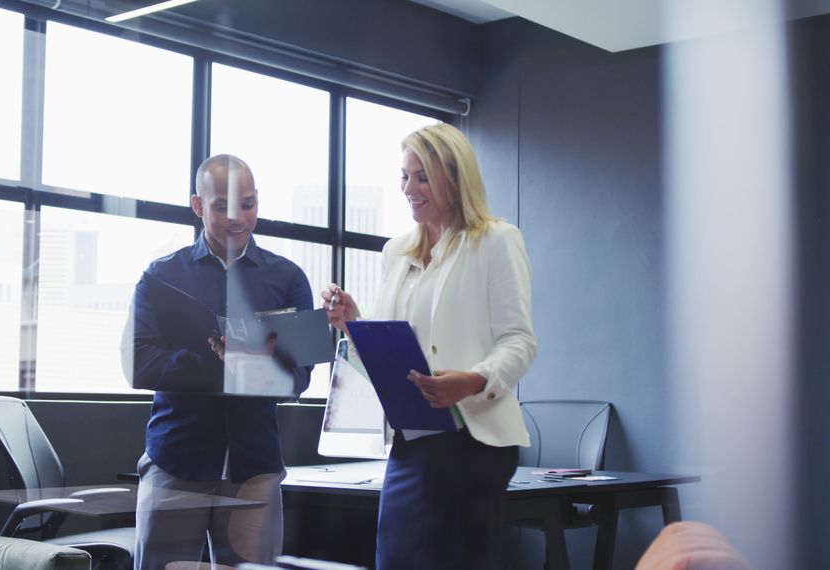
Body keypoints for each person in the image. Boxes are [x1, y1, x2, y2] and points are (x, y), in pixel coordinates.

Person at [321, 123, 536, 570]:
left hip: (474, 443)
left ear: (455, 180)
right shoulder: (395, 253)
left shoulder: (496, 241)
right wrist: (353, 325)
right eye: (404, 176)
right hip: (411, 441)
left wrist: (473, 380)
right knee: (396, 558)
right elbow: (387, 351)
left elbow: (519, 341)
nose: (408, 189)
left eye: (422, 177)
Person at [123, 154, 313, 570]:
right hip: (176, 460)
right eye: (222, 206)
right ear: (198, 205)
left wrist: (251, 366)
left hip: (255, 468)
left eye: (247, 204)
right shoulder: (160, 276)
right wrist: (222, 366)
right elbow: (139, 363)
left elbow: (298, 378)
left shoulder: (288, 279)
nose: (237, 217)